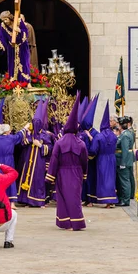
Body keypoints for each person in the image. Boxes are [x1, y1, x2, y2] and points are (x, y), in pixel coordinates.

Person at [46, 96, 88, 230]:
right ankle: (77, 222)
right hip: (76, 172)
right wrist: (84, 174)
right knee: (75, 197)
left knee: (63, 197)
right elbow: (84, 160)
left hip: (62, 172)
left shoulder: (59, 142)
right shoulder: (81, 144)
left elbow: (54, 160)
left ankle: (65, 222)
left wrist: (50, 176)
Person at [17, 101, 51, 207]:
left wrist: (40, 146)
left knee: (38, 180)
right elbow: (22, 143)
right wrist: (30, 140)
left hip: (38, 162)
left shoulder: (45, 135)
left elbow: (49, 148)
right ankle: (27, 200)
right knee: (26, 178)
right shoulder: (29, 134)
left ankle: (39, 200)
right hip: (28, 161)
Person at [87, 101, 118, 207]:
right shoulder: (114, 136)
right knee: (111, 179)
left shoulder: (99, 136)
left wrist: (89, 154)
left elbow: (93, 150)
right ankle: (111, 200)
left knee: (103, 179)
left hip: (102, 159)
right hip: (112, 158)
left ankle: (106, 199)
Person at [0, 123, 27, 206]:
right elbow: (19, 136)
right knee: (10, 178)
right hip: (8, 160)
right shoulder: (10, 138)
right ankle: (12, 203)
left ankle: (0, 201)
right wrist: (25, 128)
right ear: (6, 132)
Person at [0, 10, 31, 82]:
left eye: (6, 19)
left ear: (9, 17)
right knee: (12, 64)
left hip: (22, 46)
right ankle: (14, 81)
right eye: (3, 20)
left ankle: (25, 82)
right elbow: (1, 36)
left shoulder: (18, 21)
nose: (5, 21)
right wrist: (1, 46)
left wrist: (19, 31)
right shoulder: (3, 25)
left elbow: (25, 31)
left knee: (24, 64)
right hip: (11, 47)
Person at [115, 116, 135, 206]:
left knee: (124, 181)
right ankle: (123, 198)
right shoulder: (125, 134)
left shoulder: (125, 135)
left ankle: (125, 200)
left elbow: (125, 150)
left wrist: (123, 163)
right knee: (123, 180)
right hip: (124, 160)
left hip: (123, 161)